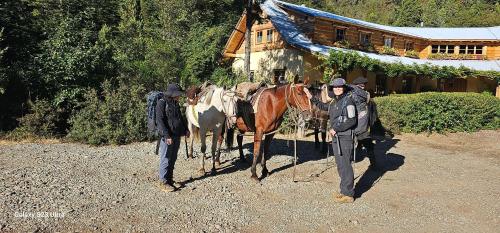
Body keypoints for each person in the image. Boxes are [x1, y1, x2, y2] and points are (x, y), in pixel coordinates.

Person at [305, 78, 357, 203]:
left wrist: (336, 128)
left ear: (344, 88)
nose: (337, 89)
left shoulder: (348, 101)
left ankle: (349, 194)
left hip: (345, 137)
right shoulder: (334, 102)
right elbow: (323, 106)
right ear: (332, 89)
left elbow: (352, 120)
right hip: (336, 137)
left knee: (345, 165)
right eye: (335, 87)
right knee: (340, 165)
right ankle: (343, 190)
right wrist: (310, 96)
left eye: (340, 87)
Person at [155, 83, 190, 192]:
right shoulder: (161, 103)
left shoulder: (175, 103)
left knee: (173, 158)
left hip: (177, 135)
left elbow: (179, 118)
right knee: (166, 158)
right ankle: (163, 182)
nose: (179, 96)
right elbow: (160, 121)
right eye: (177, 94)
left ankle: (169, 179)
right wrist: (166, 135)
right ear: (171, 94)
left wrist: (185, 130)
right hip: (168, 137)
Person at [350, 76, 379, 170]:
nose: (363, 86)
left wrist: (351, 86)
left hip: (361, 123)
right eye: (361, 85)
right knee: (354, 143)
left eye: (363, 85)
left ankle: (373, 163)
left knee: (366, 142)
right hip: (355, 122)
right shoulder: (354, 92)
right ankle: (372, 162)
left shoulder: (362, 93)